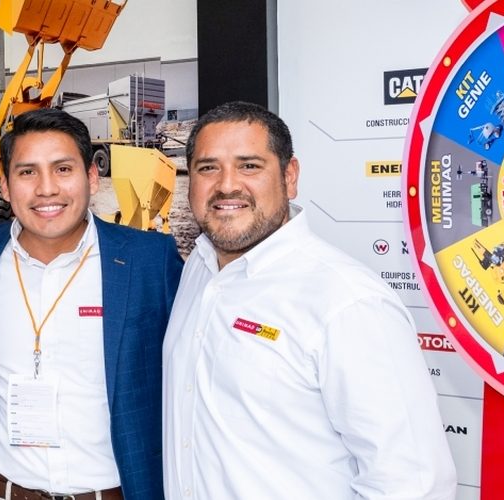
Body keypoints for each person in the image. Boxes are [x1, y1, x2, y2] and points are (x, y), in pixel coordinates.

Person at [162, 101, 456, 499]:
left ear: (290, 176)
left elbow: (414, 485)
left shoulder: (349, 303)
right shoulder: (198, 270)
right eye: (208, 167)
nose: (227, 185)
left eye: (249, 166)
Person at [0, 108, 182, 499]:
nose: (47, 189)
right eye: (27, 172)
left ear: (92, 176)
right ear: (5, 186)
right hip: (1, 491)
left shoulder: (149, 259)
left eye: (63, 169)